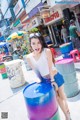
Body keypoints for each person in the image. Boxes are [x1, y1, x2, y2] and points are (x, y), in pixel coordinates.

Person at [26, 33, 71, 120]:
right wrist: (39, 78)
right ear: (30, 44)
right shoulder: (29, 57)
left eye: (38, 42)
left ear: (42, 42)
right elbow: (36, 71)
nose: (36, 45)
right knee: (56, 99)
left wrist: (53, 80)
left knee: (62, 97)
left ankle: (67, 115)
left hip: (55, 76)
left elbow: (50, 67)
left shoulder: (46, 51)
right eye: (33, 43)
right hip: (45, 80)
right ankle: (66, 114)